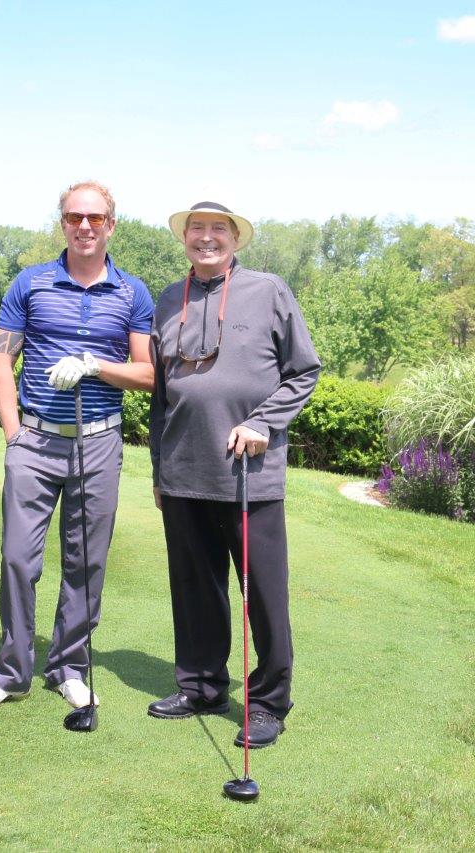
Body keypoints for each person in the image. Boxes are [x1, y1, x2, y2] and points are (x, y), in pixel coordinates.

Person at [0, 182, 154, 711]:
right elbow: (2, 359)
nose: (84, 226)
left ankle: (68, 667)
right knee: (18, 559)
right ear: (63, 222)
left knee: (86, 563)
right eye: (74, 217)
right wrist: (13, 432)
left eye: (94, 217)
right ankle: (10, 672)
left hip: (99, 442)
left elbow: (148, 374)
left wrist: (96, 366)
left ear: (111, 224)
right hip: (36, 439)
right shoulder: (31, 283)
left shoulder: (132, 293)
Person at [146, 201, 320, 749]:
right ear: (184, 237)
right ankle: (201, 687)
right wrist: (158, 469)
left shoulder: (269, 291)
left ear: (235, 238)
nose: (206, 237)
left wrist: (264, 421)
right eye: (196, 228)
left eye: (217, 229)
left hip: (250, 474)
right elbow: (160, 396)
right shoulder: (167, 298)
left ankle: (268, 703)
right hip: (183, 472)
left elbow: (304, 371)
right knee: (194, 590)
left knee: (263, 595)